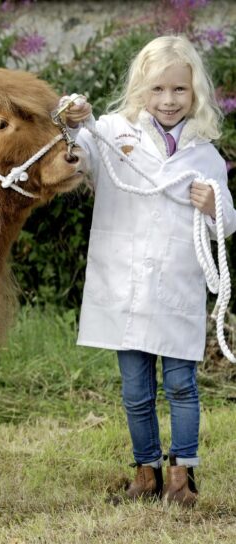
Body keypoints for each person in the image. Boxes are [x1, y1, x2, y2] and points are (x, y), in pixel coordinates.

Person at [60, 35, 236, 506]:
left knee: (181, 384)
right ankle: (146, 471)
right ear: (141, 89)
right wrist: (74, 124)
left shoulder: (205, 154)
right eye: (158, 89)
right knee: (136, 389)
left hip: (177, 285)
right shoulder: (115, 131)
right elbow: (79, 156)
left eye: (179, 90)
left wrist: (214, 204)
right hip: (126, 287)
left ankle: (183, 475)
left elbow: (227, 223)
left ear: (194, 92)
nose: (168, 100)